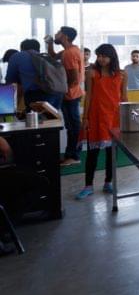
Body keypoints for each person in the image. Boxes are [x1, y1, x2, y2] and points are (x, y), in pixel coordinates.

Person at [75, 44, 127, 200]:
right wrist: (85, 118)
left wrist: (127, 118)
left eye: (104, 56)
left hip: (114, 117)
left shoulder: (122, 74)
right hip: (96, 117)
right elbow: (88, 96)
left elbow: (124, 98)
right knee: (92, 154)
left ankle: (108, 182)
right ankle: (88, 186)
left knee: (112, 153)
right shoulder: (91, 73)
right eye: (98, 56)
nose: (101, 59)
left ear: (112, 57)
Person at [46, 26, 85, 166]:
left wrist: (61, 87)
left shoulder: (69, 53)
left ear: (65, 37)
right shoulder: (69, 51)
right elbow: (53, 56)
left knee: (74, 126)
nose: (56, 34)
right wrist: (50, 43)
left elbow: (74, 78)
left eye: (58, 33)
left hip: (71, 95)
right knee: (72, 126)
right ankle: (71, 154)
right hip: (71, 94)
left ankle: (74, 156)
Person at [5, 39, 63, 111]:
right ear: (38, 48)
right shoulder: (45, 57)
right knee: (52, 120)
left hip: (36, 94)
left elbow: (10, 80)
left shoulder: (17, 56)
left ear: (22, 48)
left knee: (34, 120)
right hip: (57, 93)